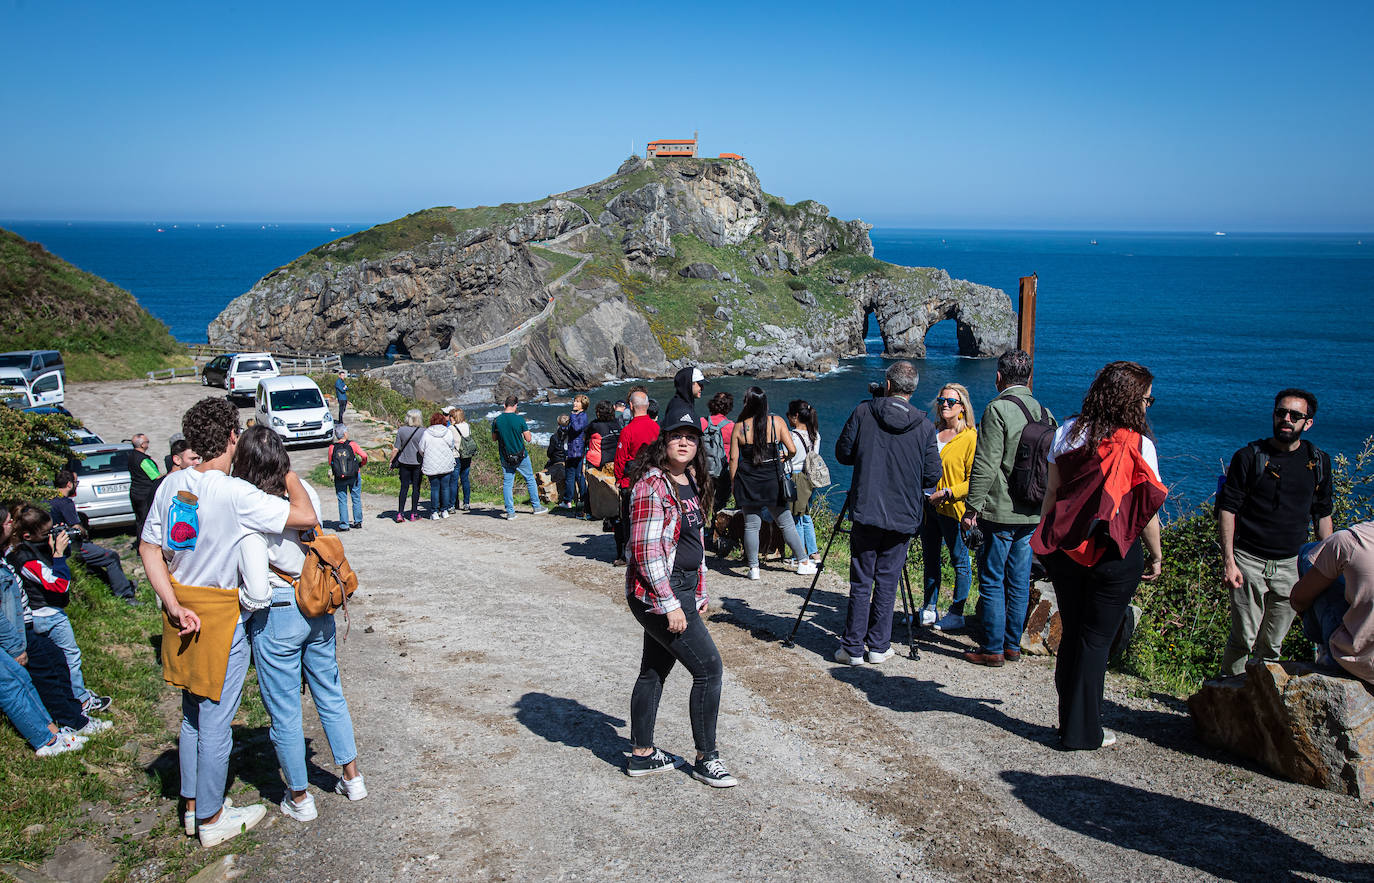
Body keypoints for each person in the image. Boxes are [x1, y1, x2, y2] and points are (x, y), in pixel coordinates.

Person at [139, 396, 318, 847]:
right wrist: (289, 473)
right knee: (217, 720)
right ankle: (214, 818)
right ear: (232, 438)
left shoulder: (170, 484)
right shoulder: (238, 494)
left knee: (192, 714)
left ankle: (193, 804)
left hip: (180, 607)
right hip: (220, 612)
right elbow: (305, 516)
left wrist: (172, 604)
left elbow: (148, 549)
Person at [232, 426, 367, 821]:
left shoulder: (249, 504)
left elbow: (256, 588)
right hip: (316, 601)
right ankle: (352, 777)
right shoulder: (302, 489)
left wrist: (237, 604)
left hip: (276, 608)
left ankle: (300, 797)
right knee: (330, 693)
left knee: (286, 711)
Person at [1031, 361, 1166, 749]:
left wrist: (1045, 538)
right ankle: (1084, 732)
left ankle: (1067, 722)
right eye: (1146, 399)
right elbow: (1146, 510)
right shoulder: (1140, 444)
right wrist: (1156, 555)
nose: (1148, 406)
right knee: (1096, 641)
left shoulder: (1067, 432)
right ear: (1130, 400)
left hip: (1066, 547)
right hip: (1113, 550)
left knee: (1073, 633)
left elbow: (1053, 493)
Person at [623, 398, 736, 787]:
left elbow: (692, 541)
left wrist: (699, 592)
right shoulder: (652, 485)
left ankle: (642, 754)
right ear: (664, 440)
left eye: (691, 436)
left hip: (682, 588)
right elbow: (645, 551)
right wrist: (670, 604)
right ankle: (707, 758)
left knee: (655, 669)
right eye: (677, 436)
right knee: (709, 670)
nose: (684, 442)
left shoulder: (691, 481)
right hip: (660, 592)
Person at [1218, 388, 1333, 675]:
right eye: (1281, 412)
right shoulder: (1249, 457)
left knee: (1272, 646)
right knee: (1242, 639)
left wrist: (1327, 566)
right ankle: (1227, 698)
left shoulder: (1318, 462)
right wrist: (1229, 561)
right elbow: (1227, 509)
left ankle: (1258, 706)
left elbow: (1322, 514)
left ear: (1307, 423)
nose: (1286, 418)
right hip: (1248, 561)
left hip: (1292, 566)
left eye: (1295, 415)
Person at [833, 362, 942, 664]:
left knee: (861, 579)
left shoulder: (865, 411)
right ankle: (879, 646)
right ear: (913, 389)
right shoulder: (924, 426)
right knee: (887, 580)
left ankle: (852, 648)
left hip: (867, 508)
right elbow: (932, 475)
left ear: (888, 385)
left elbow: (843, 453)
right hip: (903, 514)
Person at [961, 349, 1055, 667]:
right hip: (1033, 510)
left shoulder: (998, 409)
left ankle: (991, 648)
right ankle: (1012, 645)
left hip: (1000, 510)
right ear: (1028, 377)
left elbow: (986, 464)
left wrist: (971, 508)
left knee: (991, 577)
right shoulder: (1046, 413)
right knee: (1018, 579)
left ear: (999, 377)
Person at [1, 505, 104, 741]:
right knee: (62, 662)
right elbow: (58, 584)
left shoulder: (23, 551)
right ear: (27, 536)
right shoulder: (22, 557)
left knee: (58, 661)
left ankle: (75, 714)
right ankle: (75, 712)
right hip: (40, 618)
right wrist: (57, 555)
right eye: (45, 533)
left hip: (32, 621)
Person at [730, 387, 812, 580]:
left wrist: (735, 484)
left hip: (749, 479)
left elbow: (733, 459)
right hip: (772, 479)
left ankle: (754, 568)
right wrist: (784, 456)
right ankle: (803, 562)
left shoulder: (740, 426)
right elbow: (792, 449)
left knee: (751, 526)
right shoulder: (777, 422)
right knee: (786, 523)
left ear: (747, 403)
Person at [917, 384, 977, 631]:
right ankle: (929, 608)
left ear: (962, 407)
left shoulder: (970, 437)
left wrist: (950, 493)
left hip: (954, 509)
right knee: (930, 558)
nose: (944, 404)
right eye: (942, 400)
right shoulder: (932, 432)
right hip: (928, 506)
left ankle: (956, 612)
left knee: (959, 560)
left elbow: (975, 478)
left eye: (951, 402)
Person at [1291, 521, 1374, 686]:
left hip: (1360, 663)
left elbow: (1298, 599)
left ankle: (1323, 648)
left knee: (1308, 553)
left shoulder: (1351, 539)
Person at [48, 469, 138, 603]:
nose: (76, 485)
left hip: (54, 543)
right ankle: (125, 594)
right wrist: (85, 531)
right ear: (69, 485)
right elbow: (76, 527)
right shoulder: (65, 503)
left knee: (95, 563)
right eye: (76, 482)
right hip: (70, 545)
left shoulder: (48, 498)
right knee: (110, 557)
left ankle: (116, 585)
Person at [614, 391, 661, 566]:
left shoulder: (627, 431)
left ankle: (629, 554)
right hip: (653, 480)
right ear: (647, 406)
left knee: (629, 519)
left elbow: (620, 459)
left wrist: (619, 478)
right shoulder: (656, 428)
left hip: (631, 481)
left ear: (631, 407)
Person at [492, 395, 548, 520]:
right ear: (516, 405)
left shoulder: (496, 420)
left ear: (505, 405)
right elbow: (528, 439)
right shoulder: (520, 420)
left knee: (507, 483)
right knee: (529, 479)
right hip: (521, 455)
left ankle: (510, 512)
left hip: (505, 456)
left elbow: (494, 438)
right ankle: (536, 507)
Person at [786, 400, 822, 566]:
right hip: (809, 478)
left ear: (795, 417)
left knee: (797, 517)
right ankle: (813, 552)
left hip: (796, 477)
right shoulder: (815, 435)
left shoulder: (792, 436)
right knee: (806, 515)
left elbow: (790, 456)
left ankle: (799, 556)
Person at [327, 425, 367, 530]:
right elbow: (364, 456)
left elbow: (329, 462)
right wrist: (361, 464)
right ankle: (358, 521)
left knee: (342, 499)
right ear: (345, 434)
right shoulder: (352, 444)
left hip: (339, 476)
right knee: (356, 498)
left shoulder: (332, 447)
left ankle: (344, 524)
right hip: (354, 475)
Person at [702, 391, 735, 515]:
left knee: (702, 501)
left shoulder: (702, 422)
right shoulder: (732, 426)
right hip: (723, 470)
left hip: (704, 468)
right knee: (721, 502)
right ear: (728, 407)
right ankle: (717, 528)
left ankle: (703, 529)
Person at [420, 412, 456, 519]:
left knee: (434, 488)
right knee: (445, 487)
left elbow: (421, 449)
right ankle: (444, 510)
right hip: (446, 463)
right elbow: (452, 446)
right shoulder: (448, 432)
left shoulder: (426, 433)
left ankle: (434, 512)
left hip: (431, 464)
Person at [391, 409, 425, 523]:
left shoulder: (401, 430)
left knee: (404, 487)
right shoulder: (423, 431)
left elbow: (396, 448)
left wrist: (391, 461)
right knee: (416, 488)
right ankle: (413, 513)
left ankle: (400, 513)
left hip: (404, 462)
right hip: (418, 463)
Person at [128, 432, 161, 542]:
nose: (148, 444)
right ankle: (145, 544)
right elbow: (156, 476)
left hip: (134, 491)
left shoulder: (131, 456)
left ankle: (139, 543)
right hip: (145, 494)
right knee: (146, 520)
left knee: (139, 520)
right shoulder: (143, 460)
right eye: (147, 442)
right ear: (142, 445)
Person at [564, 394, 590, 515]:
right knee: (574, 475)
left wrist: (572, 416)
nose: (575, 403)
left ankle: (576, 499)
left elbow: (576, 428)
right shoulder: (579, 415)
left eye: (578, 402)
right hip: (574, 449)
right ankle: (572, 500)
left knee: (576, 475)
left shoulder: (582, 416)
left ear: (583, 405)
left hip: (576, 450)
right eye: (574, 401)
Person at [448, 408, 475, 512]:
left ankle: (452, 505)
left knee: (454, 481)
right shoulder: (467, 426)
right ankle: (466, 503)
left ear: (455, 417)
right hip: (467, 455)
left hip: (456, 455)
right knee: (465, 479)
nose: (449, 418)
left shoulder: (451, 428)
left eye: (451, 416)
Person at [547, 414, 570, 507]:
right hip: (568, 462)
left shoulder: (554, 437)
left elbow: (549, 453)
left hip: (557, 462)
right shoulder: (572, 436)